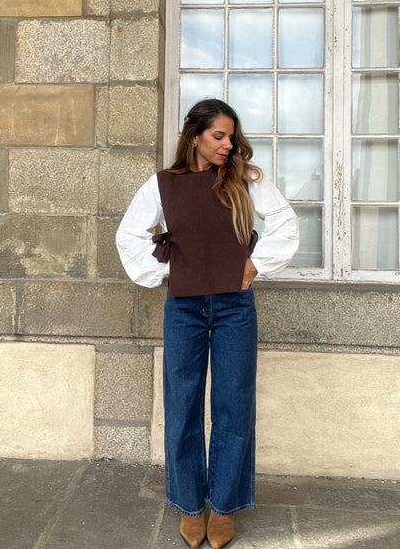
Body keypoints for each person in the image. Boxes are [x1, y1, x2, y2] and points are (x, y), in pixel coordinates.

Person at [116, 99, 299, 548]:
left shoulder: (245, 179)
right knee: (182, 407)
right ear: (194, 136)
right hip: (184, 308)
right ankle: (189, 505)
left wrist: (255, 265)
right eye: (218, 135)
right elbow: (128, 235)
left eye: (231, 136)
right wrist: (167, 269)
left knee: (234, 406)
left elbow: (285, 222)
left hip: (236, 306)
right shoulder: (163, 185)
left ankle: (224, 507)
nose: (227, 144)